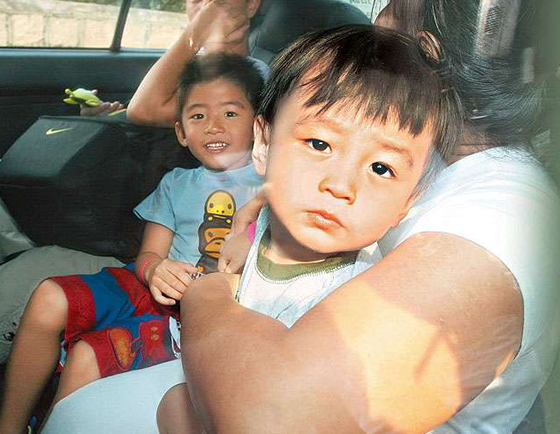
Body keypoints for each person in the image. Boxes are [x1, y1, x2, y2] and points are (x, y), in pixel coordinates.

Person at [42, 1, 560, 433]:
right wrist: (255, 219)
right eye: (318, 144)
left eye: (394, 4)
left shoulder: (498, 214)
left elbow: (268, 417)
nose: (379, 15)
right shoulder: (423, 150)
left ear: (429, 51)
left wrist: (206, 292)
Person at [0, 53, 264, 434]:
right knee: (48, 296)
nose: (213, 126)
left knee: (88, 355)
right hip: (155, 286)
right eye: (198, 116)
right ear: (181, 132)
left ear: (259, 124)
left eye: (230, 113)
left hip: (204, 312)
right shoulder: (176, 183)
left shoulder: (271, 184)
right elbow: (149, 255)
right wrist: (155, 269)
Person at [126, 0, 266, 127]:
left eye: (219, 1)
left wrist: (195, 35)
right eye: (196, 0)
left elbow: (142, 111)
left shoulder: (260, 75)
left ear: (252, 5)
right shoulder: (184, 64)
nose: (206, 9)